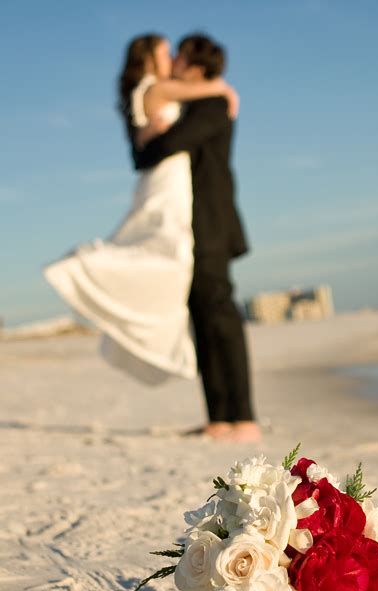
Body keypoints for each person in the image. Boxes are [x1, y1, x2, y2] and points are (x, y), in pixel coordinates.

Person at [44, 34, 238, 387]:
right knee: (166, 248)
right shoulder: (154, 88)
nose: (172, 58)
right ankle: (86, 270)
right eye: (166, 52)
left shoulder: (150, 89)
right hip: (167, 180)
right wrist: (225, 89)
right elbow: (207, 91)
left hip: (167, 178)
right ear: (149, 58)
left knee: (164, 250)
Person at [133, 34, 261, 443]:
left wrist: (155, 136)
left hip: (212, 223)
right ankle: (219, 419)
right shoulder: (198, 102)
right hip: (193, 226)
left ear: (195, 66)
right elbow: (146, 156)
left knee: (220, 316)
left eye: (180, 57)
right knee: (203, 317)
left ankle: (244, 419)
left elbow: (167, 145)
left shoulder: (212, 104)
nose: (172, 63)